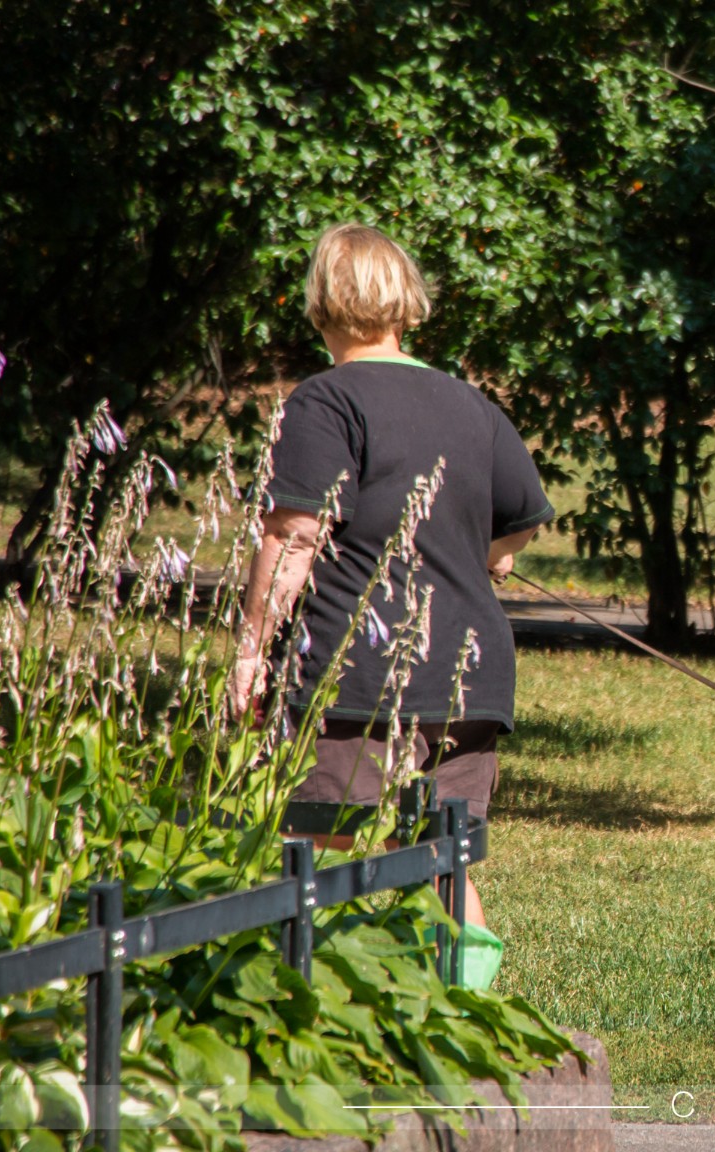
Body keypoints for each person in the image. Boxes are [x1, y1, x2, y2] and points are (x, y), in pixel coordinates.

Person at [230, 222, 553, 985]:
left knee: (317, 851)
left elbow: (295, 536)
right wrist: (479, 560)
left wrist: (250, 647)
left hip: (358, 674)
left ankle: (314, 1009)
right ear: (407, 302)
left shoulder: (324, 401)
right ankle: (467, 1026)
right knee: (442, 862)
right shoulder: (471, 403)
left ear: (321, 305)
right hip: (471, 677)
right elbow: (519, 527)